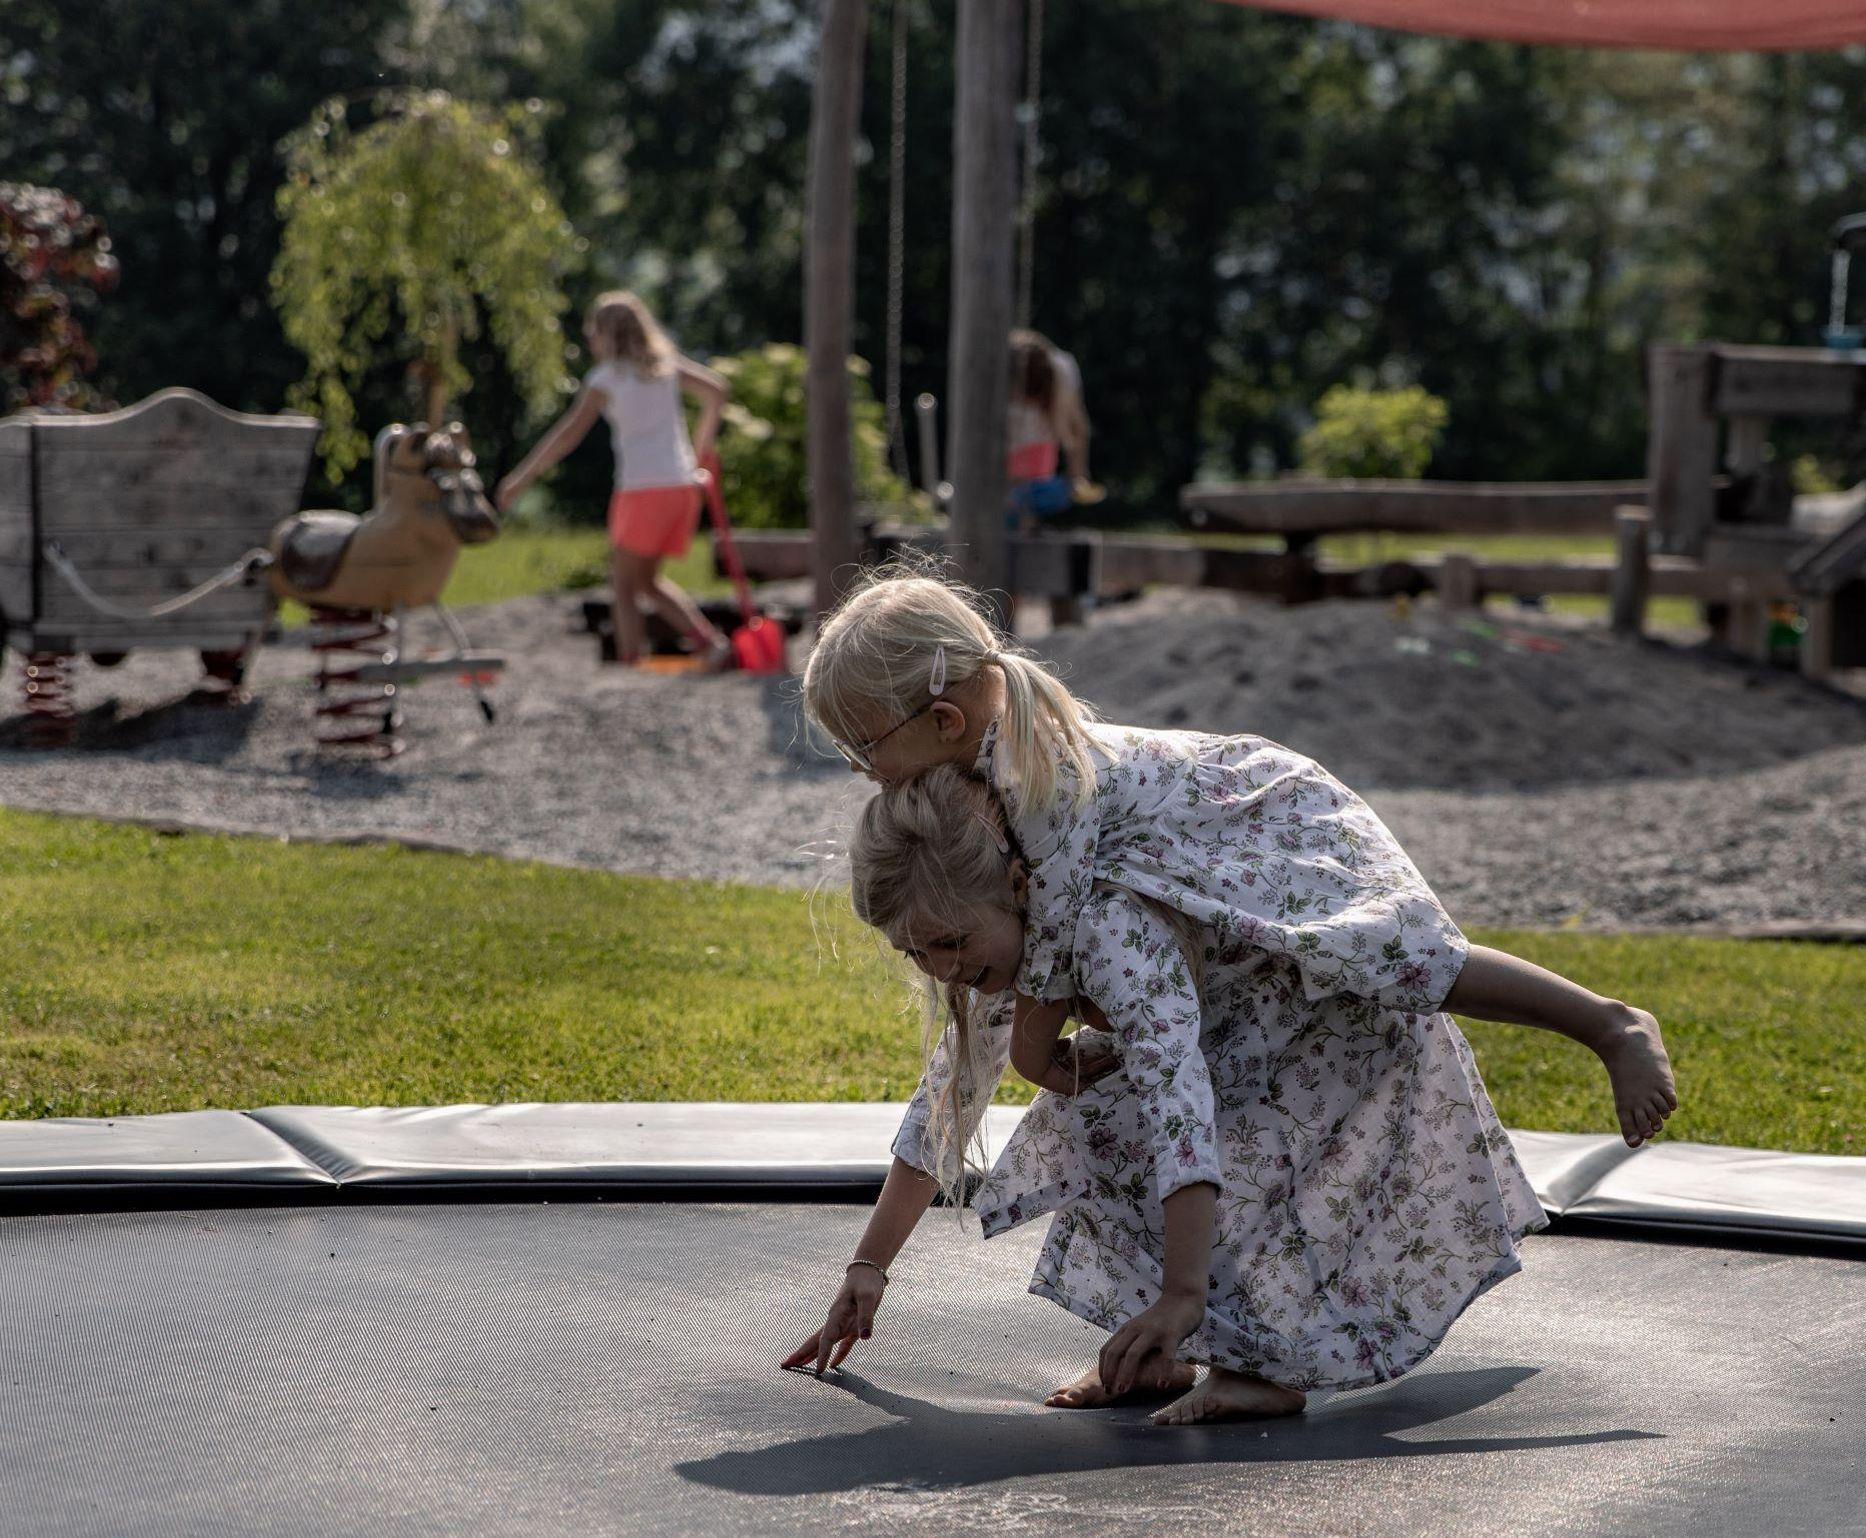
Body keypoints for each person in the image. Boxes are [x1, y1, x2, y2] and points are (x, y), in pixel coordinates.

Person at [799, 569, 1678, 1150]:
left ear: (944, 722)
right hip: (1228, 838)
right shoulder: (987, 775)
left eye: (862, 749)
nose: (863, 773)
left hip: (1271, 821)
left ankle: (1607, 1023)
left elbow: (1053, 937)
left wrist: (1032, 1055)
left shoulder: (1038, 780)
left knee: (1396, 954)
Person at [782, 763, 1544, 1424]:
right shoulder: (1011, 945)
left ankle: (1255, 1368)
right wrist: (868, 1266)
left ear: (1017, 889)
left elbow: (1179, 1109)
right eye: (914, 952)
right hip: (1238, 1039)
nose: (941, 967)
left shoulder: (1108, 929)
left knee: (1187, 1137)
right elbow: (945, 1107)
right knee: (1098, 1116)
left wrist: (1183, 1294)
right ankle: (1164, 1357)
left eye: (950, 942)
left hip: (1334, 1031)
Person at [497, 291, 729, 668]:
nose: (590, 340)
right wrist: (702, 450)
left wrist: (520, 479)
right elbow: (716, 391)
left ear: (608, 335)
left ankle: (631, 662)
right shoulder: (666, 366)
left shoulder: (607, 378)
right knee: (646, 581)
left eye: (594, 332)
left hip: (641, 488)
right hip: (682, 486)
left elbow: (567, 435)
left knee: (623, 584)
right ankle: (711, 644)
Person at [1006, 330, 1102, 531]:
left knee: (1050, 494)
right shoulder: (996, 370)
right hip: (1007, 466)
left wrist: (1078, 475)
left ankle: (1027, 519)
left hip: (1037, 462)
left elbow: (1077, 426)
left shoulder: (1062, 369)